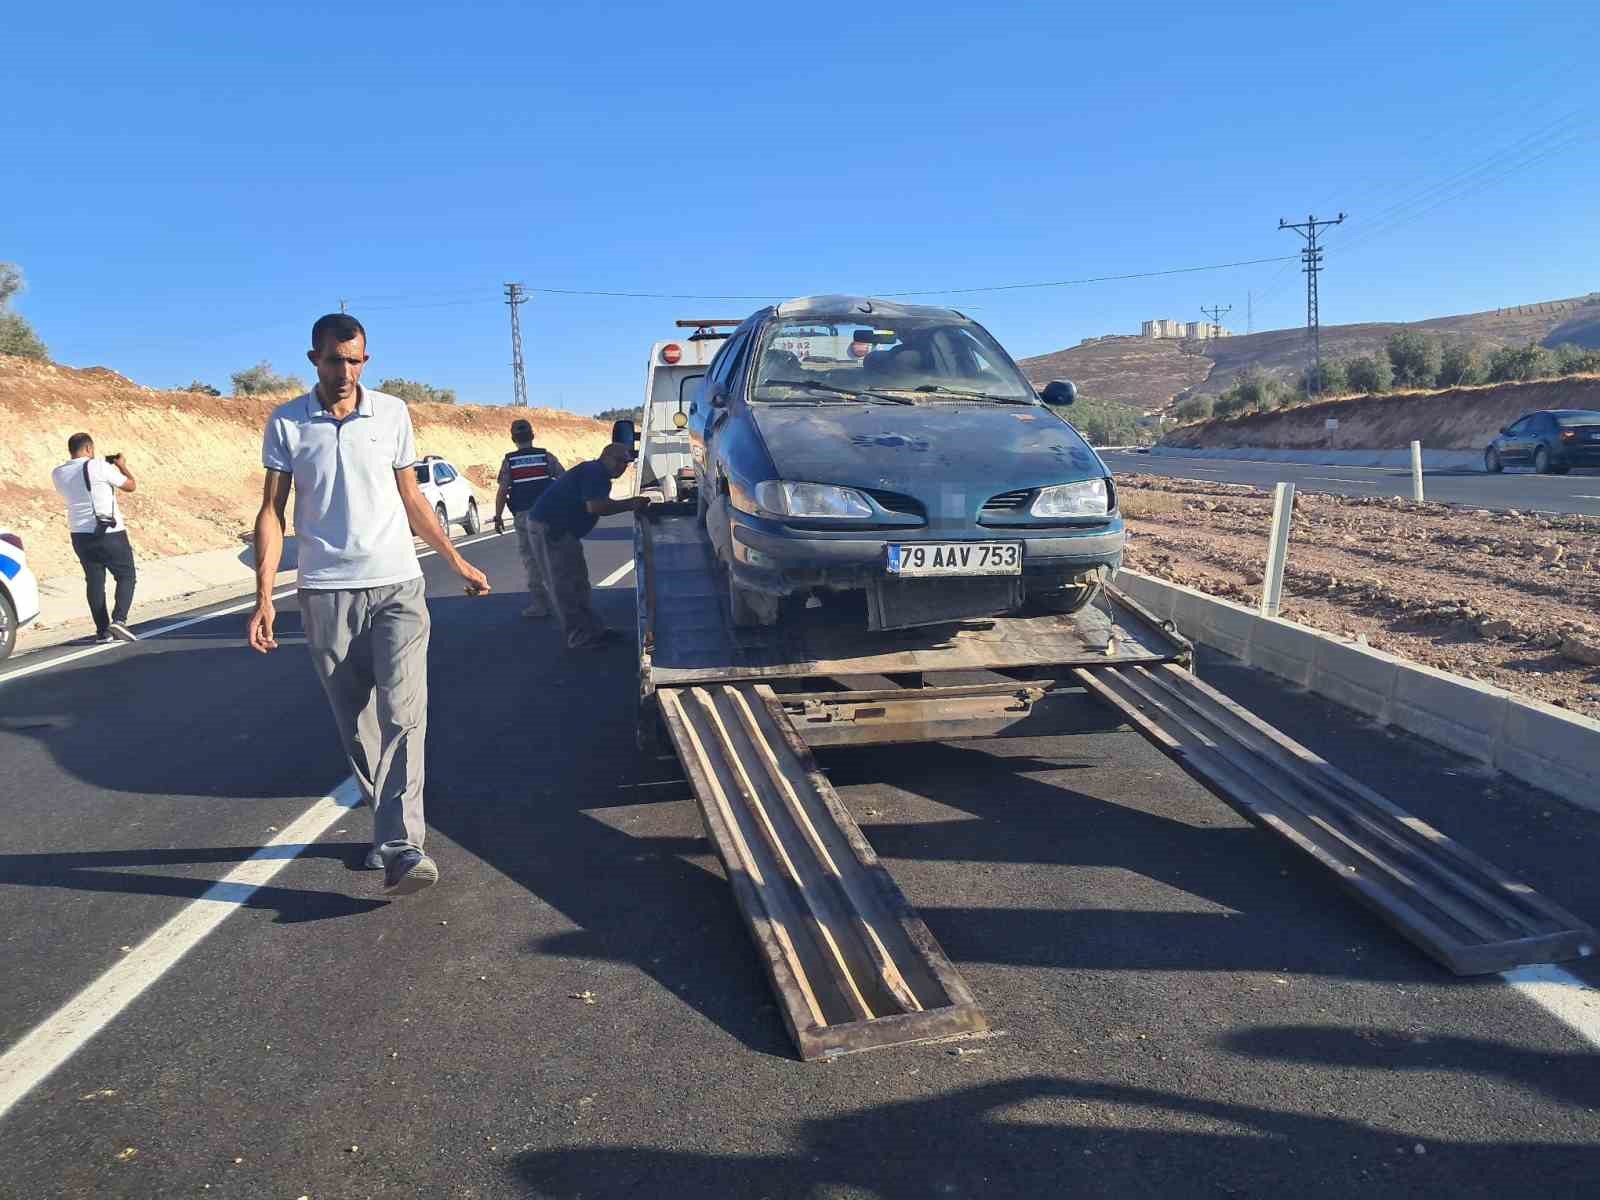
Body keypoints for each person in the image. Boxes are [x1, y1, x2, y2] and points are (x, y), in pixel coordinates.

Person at [246, 313, 491, 896]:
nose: (345, 371)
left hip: (399, 584)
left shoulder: (393, 414)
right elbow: (272, 513)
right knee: (356, 723)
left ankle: (404, 846)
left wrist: (454, 560)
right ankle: (389, 830)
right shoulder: (286, 423)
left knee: (404, 713)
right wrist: (264, 597)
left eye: (355, 360)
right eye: (334, 360)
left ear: (366, 360)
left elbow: (412, 496)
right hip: (325, 590)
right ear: (314, 360)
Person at [529, 443, 648, 649]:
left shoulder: (597, 474)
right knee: (564, 585)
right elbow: (596, 506)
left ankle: (593, 630)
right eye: (619, 461)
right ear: (605, 457)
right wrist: (630, 504)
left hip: (563, 531)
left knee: (578, 582)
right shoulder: (595, 472)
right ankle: (578, 636)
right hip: (551, 529)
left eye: (626, 463)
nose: (622, 467)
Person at [51, 432, 139, 643]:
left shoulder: (58, 473)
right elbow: (130, 485)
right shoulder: (99, 466)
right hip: (109, 532)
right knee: (126, 575)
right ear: (89, 449)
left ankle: (102, 631)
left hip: (79, 534)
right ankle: (119, 620)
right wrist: (121, 465)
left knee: (94, 581)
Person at [492, 419, 564, 618]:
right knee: (554, 557)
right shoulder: (545, 456)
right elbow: (563, 479)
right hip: (549, 514)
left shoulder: (510, 461)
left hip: (525, 517)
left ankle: (541, 605)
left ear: (513, 438)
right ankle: (564, 602)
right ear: (532, 435)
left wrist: (498, 516)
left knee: (532, 560)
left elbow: (502, 491)